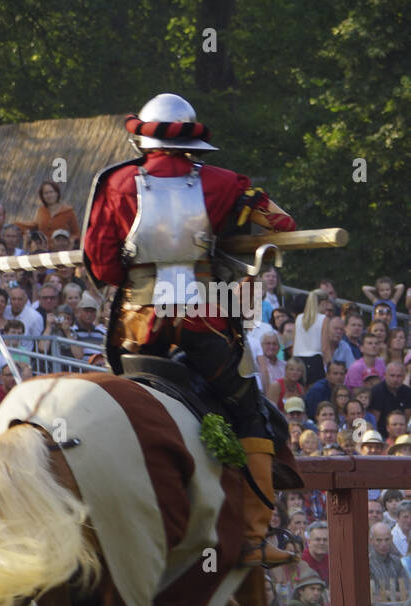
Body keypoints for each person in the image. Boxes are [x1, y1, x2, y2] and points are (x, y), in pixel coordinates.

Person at [83, 93, 298, 568]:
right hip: (204, 319)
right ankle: (254, 537)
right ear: (192, 140)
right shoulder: (224, 182)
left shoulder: (116, 183)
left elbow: (101, 265)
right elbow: (282, 223)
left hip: (140, 326)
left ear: (144, 141)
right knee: (247, 413)